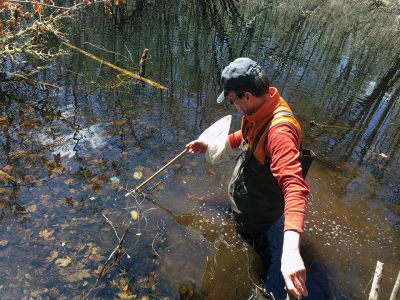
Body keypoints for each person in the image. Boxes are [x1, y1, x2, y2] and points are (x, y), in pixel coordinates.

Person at [185, 58, 310, 299]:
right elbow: (248, 134)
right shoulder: (261, 108)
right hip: (248, 198)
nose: (233, 106)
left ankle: (257, 262)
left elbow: (295, 187)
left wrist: (292, 251)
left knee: (251, 241)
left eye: (232, 101)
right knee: (240, 230)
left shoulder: (280, 132)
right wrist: (211, 145)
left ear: (247, 96)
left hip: (259, 209)